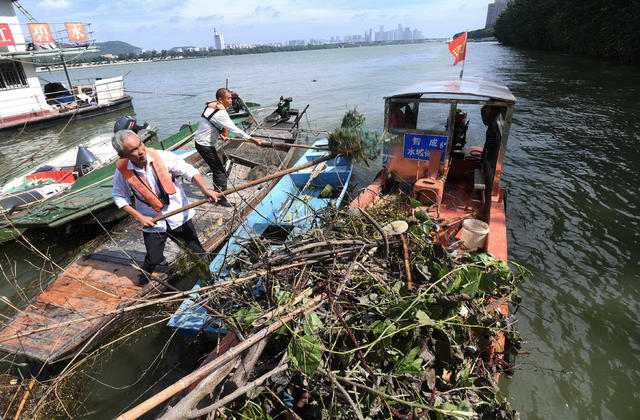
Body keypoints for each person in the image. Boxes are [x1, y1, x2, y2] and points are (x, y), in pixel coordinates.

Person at [111, 130, 221, 286]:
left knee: (197, 253)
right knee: (154, 257)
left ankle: (208, 280)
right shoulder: (122, 171)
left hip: (178, 215)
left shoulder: (162, 157)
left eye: (141, 145)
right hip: (153, 221)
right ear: (122, 155)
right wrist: (138, 217)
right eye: (133, 150)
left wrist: (205, 189)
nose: (141, 151)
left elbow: (188, 170)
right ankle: (146, 272)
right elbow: (119, 196)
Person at [195, 88, 263, 207]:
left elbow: (211, 121)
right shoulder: (220, 112)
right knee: (220, 171)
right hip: (204, 145)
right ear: (220, 99)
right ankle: (221, 198)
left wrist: (221, 134)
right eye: (228, 98)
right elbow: (235, 129)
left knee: (218, 169)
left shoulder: (212, 107)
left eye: (231, 98)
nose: (231, 100)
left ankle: (217, 192)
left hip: (202, 143)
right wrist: (253, 139)